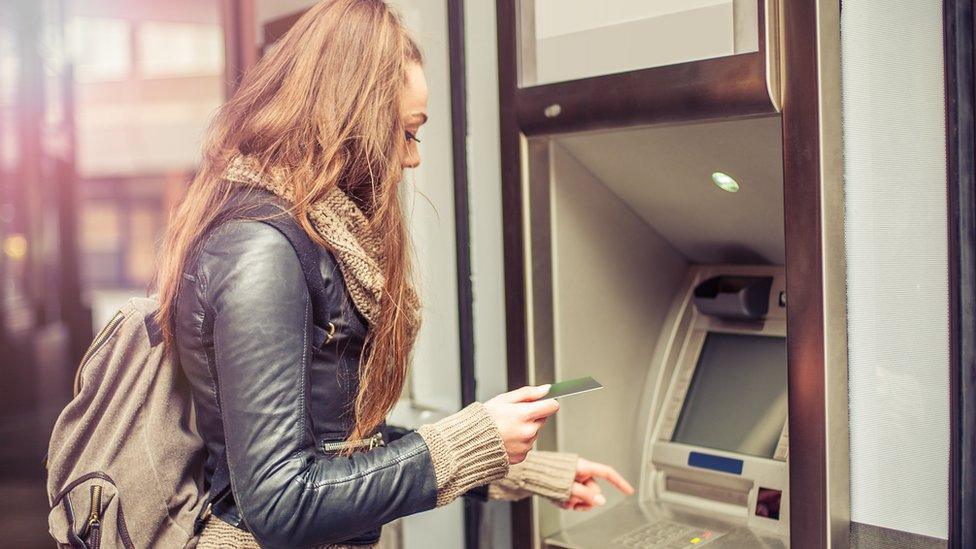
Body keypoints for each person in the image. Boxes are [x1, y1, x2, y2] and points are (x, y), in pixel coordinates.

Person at [151, 1, 633, 547]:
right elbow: (281, 501)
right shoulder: (262, 250)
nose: (412, 159)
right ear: (353, 123)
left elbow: (340, 447)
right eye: (407, 133)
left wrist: (522, 470)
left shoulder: (304, 237)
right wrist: (472, 439)